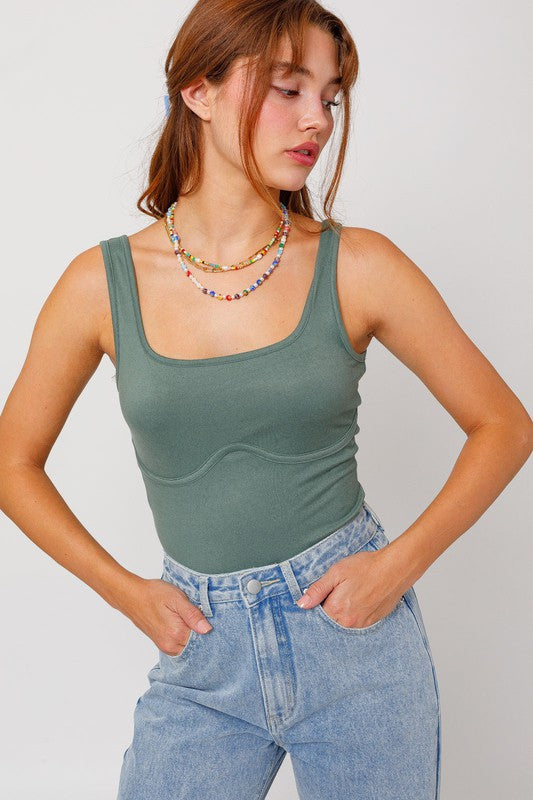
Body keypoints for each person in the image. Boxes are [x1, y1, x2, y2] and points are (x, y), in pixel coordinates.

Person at [0, 1, 531, 798]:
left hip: (354, 648)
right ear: (197, 90)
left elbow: (503, 425)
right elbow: (13, 462)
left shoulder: (359, 266)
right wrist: (130, 593)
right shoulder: (98, 286)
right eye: (287, 88)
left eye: (329, 95)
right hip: (200, 652)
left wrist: (394, 568)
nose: (315, 118)